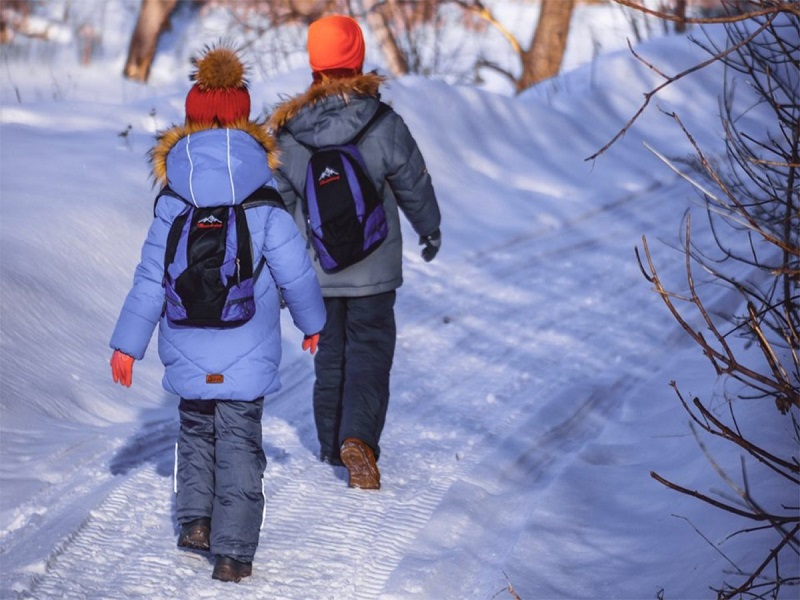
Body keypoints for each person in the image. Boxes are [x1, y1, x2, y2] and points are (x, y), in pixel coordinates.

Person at [108, 44, 326, 583]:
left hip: (186, 338)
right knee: (239, 441)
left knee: (196, 430)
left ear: (190, 121)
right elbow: (296, 271)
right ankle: (233, 553)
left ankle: (196, 524)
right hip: (246, 341)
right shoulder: (264, 195)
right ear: (246, 122)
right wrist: (313, 324)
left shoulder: (173, 198)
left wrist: (126, 343)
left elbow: (148, 279)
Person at [268, 15, 442, 491]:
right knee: (369, 353)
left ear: (314, 67)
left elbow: (280, 209)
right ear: (358, 60)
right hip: (375, 268)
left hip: (318, 270)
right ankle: (358, 441)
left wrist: (284, 271)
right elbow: (414, 183)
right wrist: (430, 228)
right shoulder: (383, 122)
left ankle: (330, 444)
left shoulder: (287, 135)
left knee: (331, 357)